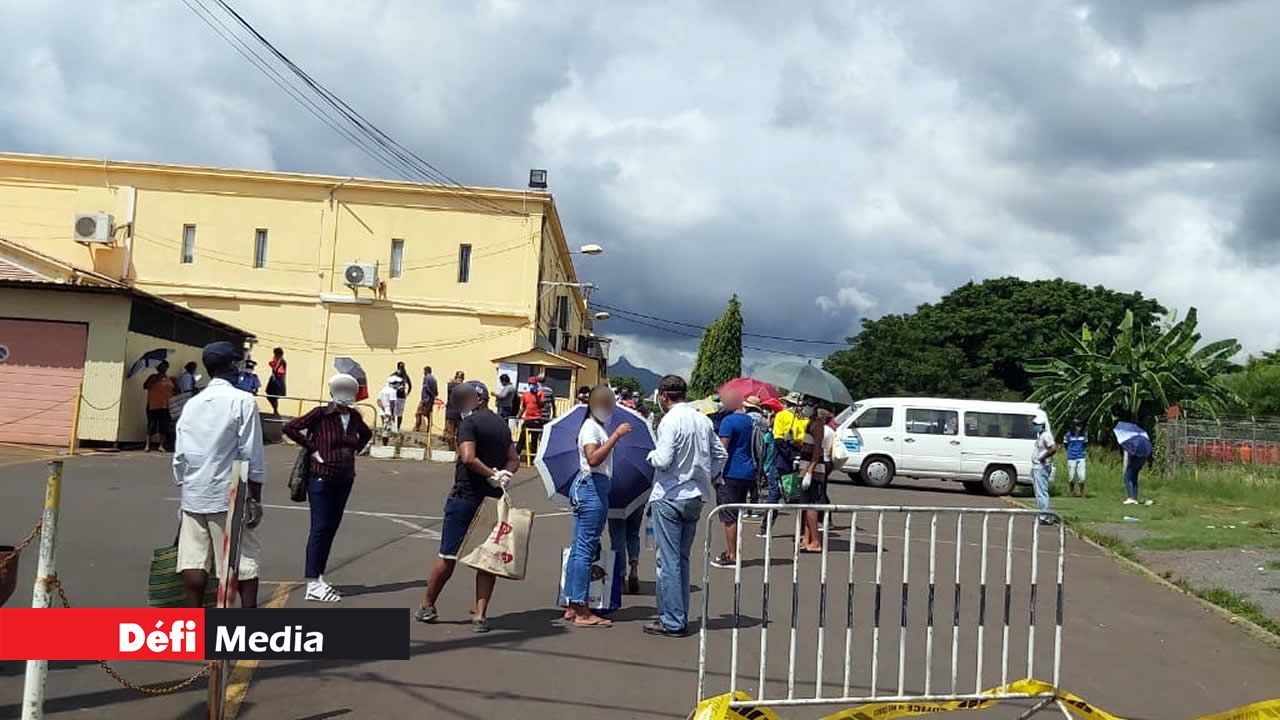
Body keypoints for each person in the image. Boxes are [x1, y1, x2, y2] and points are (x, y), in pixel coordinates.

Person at [418, 381, 518, 633]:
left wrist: (489, 474)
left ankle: (427, 605)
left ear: (479, 399)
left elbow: (468, 457)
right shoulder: (501, 425)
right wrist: (503, 474)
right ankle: (480, 615)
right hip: (492, 500)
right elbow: (513, 459)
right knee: (487, 560)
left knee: (448, 556)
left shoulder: (469, 424)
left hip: (466, 495)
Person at [172, 341, 265, 608]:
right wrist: (255, 498)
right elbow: (251, 453)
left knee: (193, 560)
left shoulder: (192, 404)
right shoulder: (243, 401)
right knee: (243, 562)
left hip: (193, 492)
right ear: (232, 366)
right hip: (230, 493)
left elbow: (180, 455)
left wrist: (186, 484)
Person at [644, 375, 726, 637]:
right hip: (695, 496)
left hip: (670, 494)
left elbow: (663, 459)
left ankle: (672, 619)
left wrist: (651, 455)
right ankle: (676, 613)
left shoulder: (669, 421)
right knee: (681, 558)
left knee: (667, 561)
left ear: (664, 396)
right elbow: (721, 454)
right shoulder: (702, 420)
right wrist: (708, 476)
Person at [283, 373, 373, 602]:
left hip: (345, 478)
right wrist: (312, 448)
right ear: (333, 391)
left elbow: (367, 433)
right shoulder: (321, 414)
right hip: (321, 477)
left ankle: (319, 576)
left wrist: (354, 450)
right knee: (320, 527)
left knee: (331, 528)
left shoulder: (354, 416)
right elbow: (291, 427)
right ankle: (312, 582)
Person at [564, 386, 633, 627]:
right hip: (591, 487)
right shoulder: (591, 428)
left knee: (579, 548)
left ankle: (573, 603)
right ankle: (581, 609)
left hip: (591, 486)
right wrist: (616, 436)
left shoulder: (595, 427)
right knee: (585, 548)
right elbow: (593, 459)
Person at [711, 390, 757, 568]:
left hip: (730, 472)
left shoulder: (728, 421)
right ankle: (734, 551)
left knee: (728, 516)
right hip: (747, 471)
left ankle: (732, 555)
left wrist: (714, 473)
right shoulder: (750, 421)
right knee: (736, 514)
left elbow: (722, 450)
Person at [797, 406, 828, 551]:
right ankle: (806, 538)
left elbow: (817, 450)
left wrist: (810, 471)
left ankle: (815, 541)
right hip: (805, 467)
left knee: (811, 504)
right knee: (806, 504)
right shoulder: (811, 423)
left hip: (812, 470)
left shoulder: (817, 425)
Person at [1031, 417, 1058, 525]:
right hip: (1037, 467)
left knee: (1042, 492)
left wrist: (1043, 457)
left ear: (1042, 425)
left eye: (1036, 425)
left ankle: (1045, 516)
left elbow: (1053, 448)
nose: (1034, 426)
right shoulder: (1040, 436)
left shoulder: (1046, 435)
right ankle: (1044, 514)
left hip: (1041, 467)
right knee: (1039, 492)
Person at [143, 361, 175, 452]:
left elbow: (177, 390)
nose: (161, 368)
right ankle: (147, 445)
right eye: (160, 367)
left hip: (166, 406)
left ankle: (161, 445)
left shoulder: (171, 379)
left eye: (164, 367)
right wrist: (154, 380)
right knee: (151, 425)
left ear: (167, 368)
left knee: (163, 426)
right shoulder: (153, 377)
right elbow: (145, 386)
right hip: (153, 405)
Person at [518, 376, 546, 458]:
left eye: (533, 384)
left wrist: (536, 395)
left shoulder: (540, 393)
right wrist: (518, 416)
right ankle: (517, 454)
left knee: (534, 440)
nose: (531, 385)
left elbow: (542, 405)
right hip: (528, 419)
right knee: (522, 437)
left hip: (537, 419)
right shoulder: (525, 395)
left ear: (536, 384)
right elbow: (523, 407)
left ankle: (533, 458)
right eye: (530, 384)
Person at [1064, 420, 1088, 498]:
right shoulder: (1068, 435)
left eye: (1080, 425)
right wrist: (1070, 452)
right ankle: (1072, 491)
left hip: (1081, 457)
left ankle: (1082, 493)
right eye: (1078, 425)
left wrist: (1083, 452)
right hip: (1071, 458)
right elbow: (1066, 445)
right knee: (1071, 477)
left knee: (1082, 477)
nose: (1079, 427)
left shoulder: (1083, 435)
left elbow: (1085, 445)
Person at [377, 375, 403, 445]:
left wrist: (383, 408)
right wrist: (392, 414)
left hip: (383, 412)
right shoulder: (393, 391)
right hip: (389, 412)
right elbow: (392, 403)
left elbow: (378, 401)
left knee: (385, 427)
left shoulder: (383, 390)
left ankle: (385, 443)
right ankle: (385, 444)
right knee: (387, 429)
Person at [444, 371, 466, 450]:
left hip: (451, 413)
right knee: (457, 434)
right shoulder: (464, 387)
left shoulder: (451, 385)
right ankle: (456, 450)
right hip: (459, 413)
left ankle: (452, 450)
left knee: (451, 433)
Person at [414, 366, 439, 434]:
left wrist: (431, 395)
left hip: (425, 399)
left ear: (426, 371)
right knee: (428, 414)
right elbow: (436, 391)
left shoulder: (426, 378)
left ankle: (417, 428)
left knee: (418, 413)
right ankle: (428, 428)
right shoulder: (434, 379)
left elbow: (426, 388)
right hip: (431, 400)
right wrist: (434, 396)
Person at [266, 347, 287, 415]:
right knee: (270, 396)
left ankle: (275, 411)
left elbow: (280, 371)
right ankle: (275, 410)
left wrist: (275, 365)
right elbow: (270, 364)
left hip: (278, 380)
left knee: (274, 396)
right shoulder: (277, 360)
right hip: (274, 379)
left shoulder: (282, 361)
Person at [392, 362, 413, 430]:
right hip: (394, 396)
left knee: (400, 414)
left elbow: (410, 385)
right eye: (401, 367)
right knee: (393, 413)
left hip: (401, 397)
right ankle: (393, 427)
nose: (402, 369)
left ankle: (398, 428)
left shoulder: (405, 376)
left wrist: (407, 393)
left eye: (403, 367)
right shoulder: (394, 375)